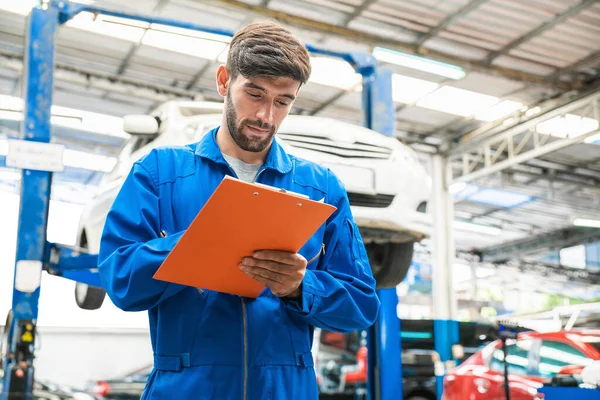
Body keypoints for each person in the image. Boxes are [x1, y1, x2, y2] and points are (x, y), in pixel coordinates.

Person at [98, 20, 380, 400]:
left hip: (286, 389)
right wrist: (197, 246)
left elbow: (361, 305)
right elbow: (120, 282)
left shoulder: (320, 188)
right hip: (186, 387)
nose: (266, 116)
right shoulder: (159, 173)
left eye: (283, 102)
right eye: (255, 94)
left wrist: (301, 287)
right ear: (223, 81)